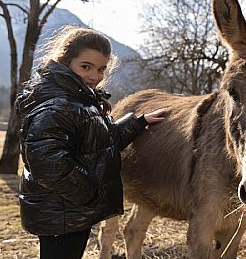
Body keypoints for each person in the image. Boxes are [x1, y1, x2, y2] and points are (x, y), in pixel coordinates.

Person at [15, 25, 167, 259]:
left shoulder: (80, 101)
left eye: (101, 69)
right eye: (86, 67)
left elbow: (101, 143)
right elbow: (49, 165)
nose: (95, 76)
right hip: (61, 213)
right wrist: (92, 192)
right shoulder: (58, 106)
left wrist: (138, 122)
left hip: (72, 209)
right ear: (64, 62)